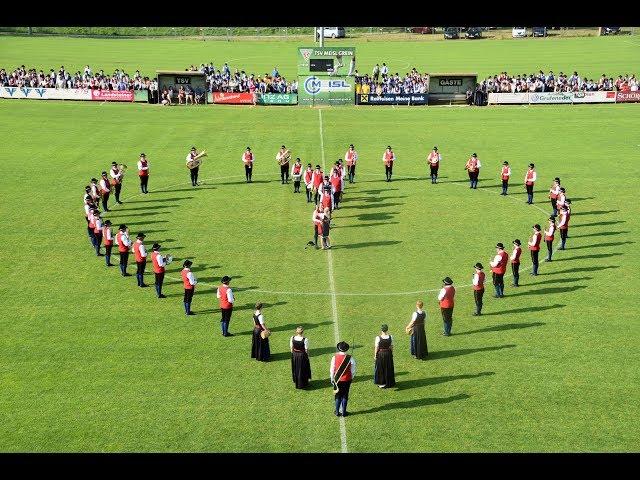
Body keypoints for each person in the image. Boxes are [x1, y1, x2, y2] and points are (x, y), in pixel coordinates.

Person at [330, 341, 356, 417]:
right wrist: (352, 377)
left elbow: (332, 369)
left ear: (339, 349)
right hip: (347, 380)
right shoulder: (350, 358)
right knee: (345, 395)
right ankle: (344, 412)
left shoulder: (334, 357)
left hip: (337, 380)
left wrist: (332, 379)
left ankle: (337, 411)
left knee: (337, 395)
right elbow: (353, 370)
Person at [373, 324, 395, 388]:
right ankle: (389, 382)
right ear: (387, 329)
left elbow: (376, 347)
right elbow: (391, 346)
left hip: (381, 354)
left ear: (381, 330)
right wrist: (391, 353)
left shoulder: (378, 338)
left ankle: (382, 383)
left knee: (381, 368)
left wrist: (375, 355)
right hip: (388, 354)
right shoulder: (391, 337)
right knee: (388, 368)